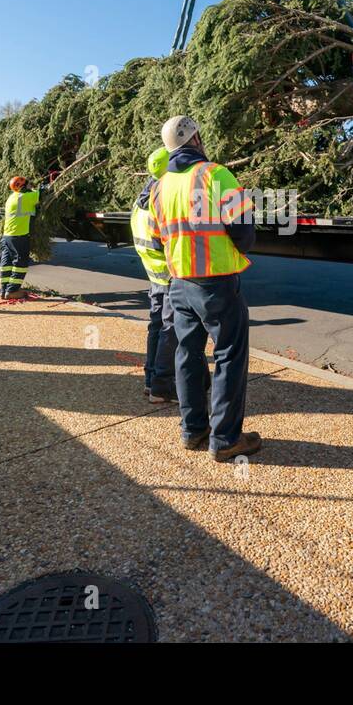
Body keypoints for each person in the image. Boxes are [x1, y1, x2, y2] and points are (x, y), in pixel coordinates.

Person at [148, 115, 262, 462]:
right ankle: (226, 439)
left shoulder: (159, 186)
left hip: (179, 283)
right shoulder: (215, 174)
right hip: (216, 283)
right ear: (195, 139)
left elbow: (156, 238)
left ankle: (193, 430)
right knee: (229, 355)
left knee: (187, 353)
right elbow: (242, 229)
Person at [131, 148, 177, 403]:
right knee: (171, 331)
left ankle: (150, 381)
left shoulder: (140, 203)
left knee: (157, 326)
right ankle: (162, 386)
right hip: (169, 276)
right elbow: (167, 242)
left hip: (154, 276)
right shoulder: (161, 203)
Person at [0, 176, 39, 300]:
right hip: (19, 235)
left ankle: (4, 289)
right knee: (20, 263)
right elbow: (40, 194)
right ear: (23, 186)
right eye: (27, 184)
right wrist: (34, 187)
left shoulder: (12, 197)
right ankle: (12, 291)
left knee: (7, 263)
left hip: (7, 235)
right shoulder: (25, 197)